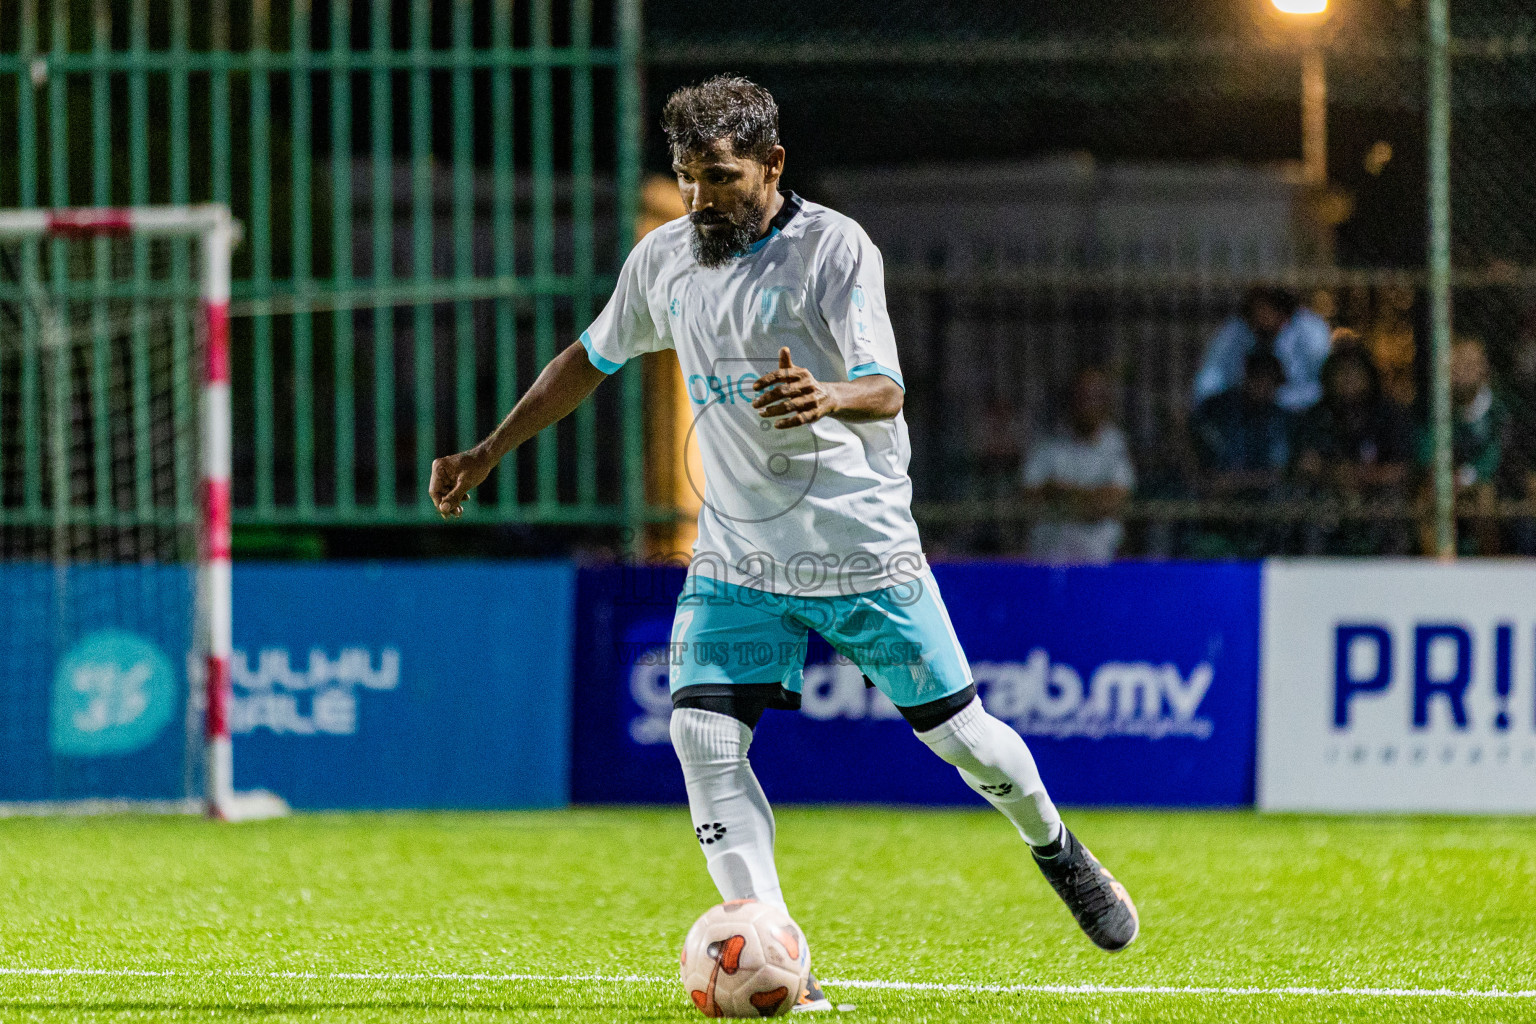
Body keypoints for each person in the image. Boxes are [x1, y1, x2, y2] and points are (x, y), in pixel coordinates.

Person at [427, 76, 1139, 1009]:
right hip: (739, 556)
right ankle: (779, 957)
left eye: (719, 177)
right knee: (700, 733)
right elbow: (588, 360)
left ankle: (1056, 845)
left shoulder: (835, 249)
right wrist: (487, 452)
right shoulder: (665, 258)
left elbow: (885, 389)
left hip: (860, 550)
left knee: (970, 745)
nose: (699, 199)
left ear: (772, 164)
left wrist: (827, 395)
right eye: (685, 178)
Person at [1292, 340, 1415, 555]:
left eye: (1355, 371)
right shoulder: (1317, 416)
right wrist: (1334, 474)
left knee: (1392, 504)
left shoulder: (1388, 414)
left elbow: (1401, 469)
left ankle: (1394, 572)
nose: (1348, 379)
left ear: (1369, 376)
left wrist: (1361, 476)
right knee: (1309, 503)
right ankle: (1312, 571)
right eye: (1341, 372)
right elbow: (1306, 465)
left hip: (1374, 494)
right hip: (1331, 493)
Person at [1020, 366, 1136, 564]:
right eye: (1083, 396)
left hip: (1100, 558)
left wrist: (1059, 492)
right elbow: (1030, 498)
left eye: (1095, 396)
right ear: (1071, 400)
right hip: (1049, 557)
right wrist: (1091, 497)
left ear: (1106, 402)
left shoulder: (1117, 444)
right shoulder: (1048, 444)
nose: (1088, 404)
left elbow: (1113, 500)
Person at [1187, 350, 1296, 557]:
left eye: (1271, 381)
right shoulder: (1217, 411)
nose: (1264, 386)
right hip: (1215, 518)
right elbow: (1199, 468)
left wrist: (1239, 481)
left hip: (1267, 521)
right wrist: (1209, 482)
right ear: (1246, 377)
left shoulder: (1283, 421)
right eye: (1259, 378)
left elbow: (1283, 474)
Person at [1416, 336, 1509, 555]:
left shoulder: (1501, 410)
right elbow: (1426, 450)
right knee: (1427, 497)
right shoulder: (1435, 408)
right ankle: (1439, 566)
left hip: (1489, 483)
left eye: (1469, 364)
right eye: (1455, 365)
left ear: (1483, 369)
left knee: (1485, 498)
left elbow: (1497, 455)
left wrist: (1465, 478)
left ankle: (1488, 567)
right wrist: (1442, 476)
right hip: (1444, 480)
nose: (1461, 372)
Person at [1193, 287, 1332, 413]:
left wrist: (1278, 399)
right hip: (1248, 411)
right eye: (1257, 309)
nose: (1261, 316)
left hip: (1301, 411)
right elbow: (1212, 376)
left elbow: (1321, 382)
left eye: (1266, 309)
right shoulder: (1238, 330)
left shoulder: (1310, 329)